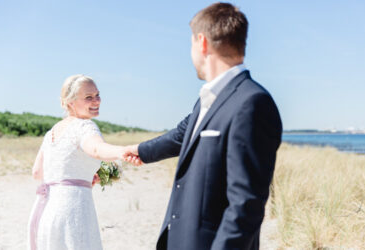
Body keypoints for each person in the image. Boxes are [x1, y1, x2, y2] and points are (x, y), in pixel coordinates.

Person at [124, 3, 282, 250]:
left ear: (202, 42)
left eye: (190, 45)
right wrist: (137, 150)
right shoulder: (207, 99)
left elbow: (246, 206)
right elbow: (180, 136)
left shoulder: (252, 103)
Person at [27, 75, 134, 250]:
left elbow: (37, 173)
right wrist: (123, 152)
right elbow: (96, 149)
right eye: (88, 97)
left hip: (47, 210)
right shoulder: (85, 126)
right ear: (70, 102)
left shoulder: (51, 132)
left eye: (98, 95)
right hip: (73, 210)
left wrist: (84, 173)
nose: (97, 101)